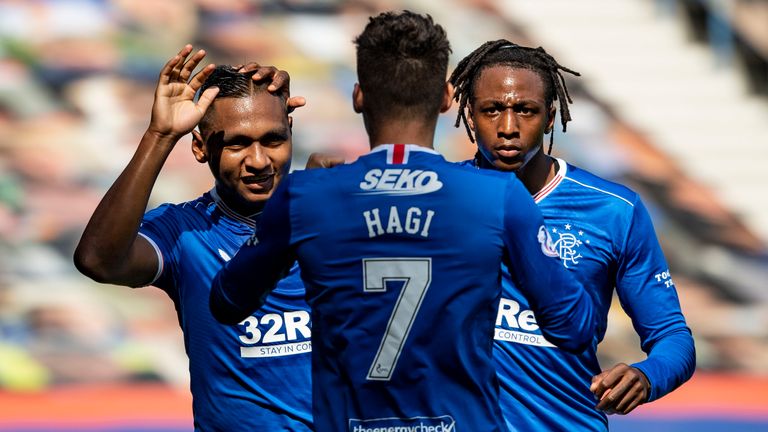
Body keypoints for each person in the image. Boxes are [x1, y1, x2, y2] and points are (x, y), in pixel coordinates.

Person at [210, 11, 598, 432]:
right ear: (449, 97)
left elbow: (227, 301)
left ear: (358, 96)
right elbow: (575, 326)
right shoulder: (499, 196)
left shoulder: (305, 195)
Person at [449, 40, 696, 431]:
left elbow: (672, 337)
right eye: (492, 110)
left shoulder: (614, 210)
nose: (508, 127)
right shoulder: (437, 199)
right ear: (469, 115)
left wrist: (648, 376)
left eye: (525, 111)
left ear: (550, 117)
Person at [73, 45, 313, 431]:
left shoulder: (330, 215)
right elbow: (98, 261)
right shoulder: (183, 230)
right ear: (201, 148)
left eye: (272, 139)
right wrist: (161, 134)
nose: (258, 161)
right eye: (237, 143)